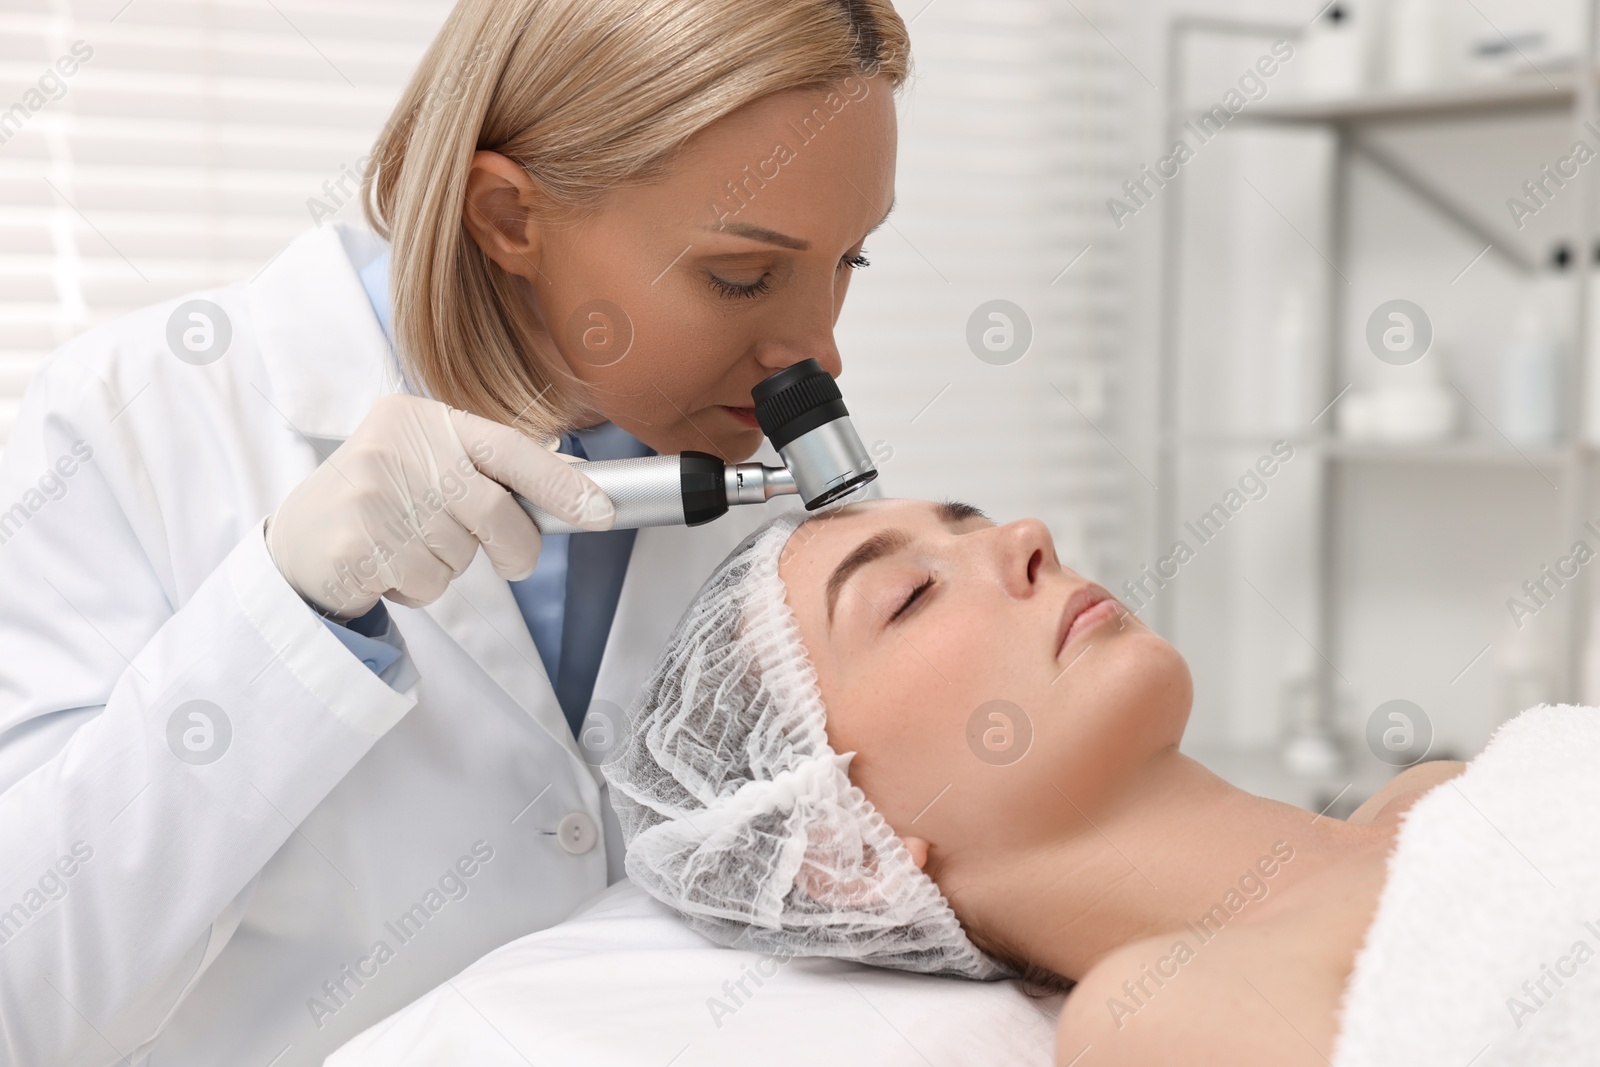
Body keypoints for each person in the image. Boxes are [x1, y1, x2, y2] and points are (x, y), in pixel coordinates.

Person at [0, 1, 907, 1063]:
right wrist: (285, 620)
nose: (818, 351)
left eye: (852, 260)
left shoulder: (758, 452)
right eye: (741, 275)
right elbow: (27, 998)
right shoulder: (126, 423)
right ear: (507, 214)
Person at [604, 498, 1473, 1066]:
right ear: (845, 859)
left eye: (972, 521)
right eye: (909, 594)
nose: (1028, 536)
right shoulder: (1161, 1021)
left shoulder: (1439, 790)